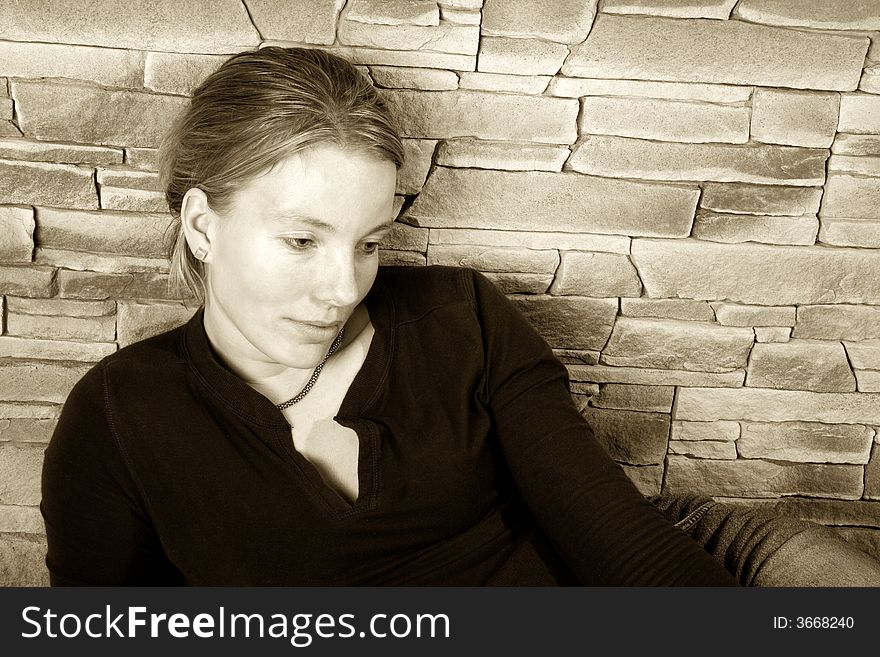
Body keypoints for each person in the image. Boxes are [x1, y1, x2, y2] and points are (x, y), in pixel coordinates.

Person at [39, 46, 745, 586]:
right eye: (302, 240)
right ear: (202, 225)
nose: (344, 287)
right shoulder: (120, 413)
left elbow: (628, 545)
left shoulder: (460, 319)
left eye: (370, 242)